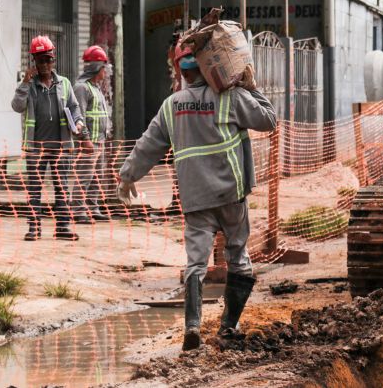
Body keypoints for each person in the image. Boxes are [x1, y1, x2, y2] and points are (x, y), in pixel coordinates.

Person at [117, 43, 276, 351]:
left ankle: (193, 326)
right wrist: (252, 87)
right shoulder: (231, 97)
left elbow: (149, 144)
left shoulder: (172, 105)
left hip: (195, 198)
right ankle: (229, 326)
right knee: (238, 256)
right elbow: (268, 120)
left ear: (181, 71)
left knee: (195, 262)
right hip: (231, 194)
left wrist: (127, 176)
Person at [11, 35, 93, 241]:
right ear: (34, 62)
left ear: (53, 60)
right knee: (35, 188)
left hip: (61, 146)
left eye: (48, 59)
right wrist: (24, 82)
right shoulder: (29, 86)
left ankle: (63, 227)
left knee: (62, 186)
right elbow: (17, 106)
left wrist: (79, 124)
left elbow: (74, 108)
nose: (45, 64)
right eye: (40, 60)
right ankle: (34, 228)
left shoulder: (64, 83)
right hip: (36, 147)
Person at [71, 46, 112, 223]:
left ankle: (92, 207)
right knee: (84, 176)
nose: (106, 71)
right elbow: (78, 114)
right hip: (89, 143)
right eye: (104, 67)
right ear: (97, 68)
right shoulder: (82, 88)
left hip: (99, 141)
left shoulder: (96, 88)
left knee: (96, 177)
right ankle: (78, 210)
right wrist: (85, 139)